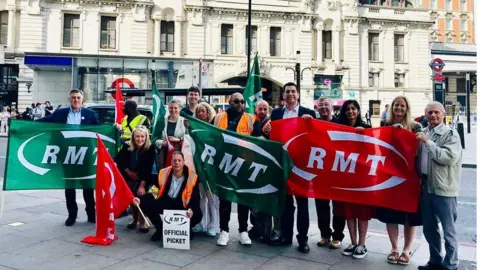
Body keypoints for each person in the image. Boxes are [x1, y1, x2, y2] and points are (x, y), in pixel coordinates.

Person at [265, 82, 316, 253]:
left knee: (302, 204)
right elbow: (271, 134)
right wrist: (267, 130)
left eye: (293, 91)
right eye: (288, 92)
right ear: (284, 95)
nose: (291, 94)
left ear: (298, 95)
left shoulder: (308, 113)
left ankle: (303, 240)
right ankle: (286, 236)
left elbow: (316, 137)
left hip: (301, 165)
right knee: (286, 204)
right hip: (282, 163)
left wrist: (311, 123)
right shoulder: (278, 113)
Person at [37, 89, 99, 226]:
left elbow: (100, 130)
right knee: (69, 186)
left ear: (82, 99)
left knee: (87, 186)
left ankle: (91, 214)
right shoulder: (60, 113)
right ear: (69, 99)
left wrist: (115, 128)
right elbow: (43, 122)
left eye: (78, 97)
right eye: (73, 98)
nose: (75, 100)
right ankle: (72, 215)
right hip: (67, 155)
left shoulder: (91, 115)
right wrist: (19, 124)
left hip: (85, 155)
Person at [377, 96, 423, 265]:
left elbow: (419, 150)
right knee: (391, 214)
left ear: (407, 108)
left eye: (402, 106)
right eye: (396, 105)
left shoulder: (416, 126)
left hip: (410, 176)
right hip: (389, 176)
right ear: (392, 107)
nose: (399, 108)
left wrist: (404, 133)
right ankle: (394, 248)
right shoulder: (384, 124)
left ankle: (406, 250)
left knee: (410, 215)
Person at [416, 101, 462, 270]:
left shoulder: (451, 134)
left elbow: (448, 157)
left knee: (448, 230)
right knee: (429, 228)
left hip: (444, 187)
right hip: (426, 186)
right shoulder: (423, 132)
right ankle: (435, 260)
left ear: (443, 115)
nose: (433, 115)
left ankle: (451, 264)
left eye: (436, 112)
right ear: (425, 115)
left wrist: (428, 143)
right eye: (429, 113)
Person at [213, 92, 255, 246]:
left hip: (243, 165)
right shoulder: (218, 117)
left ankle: (243, 231)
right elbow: (210, 135)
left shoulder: (250, 119)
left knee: (243, 198)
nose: (240, 104)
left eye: (242, 101)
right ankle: (224, 231)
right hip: (224, 163)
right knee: (225, 198)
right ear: (229, 102)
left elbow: (258, 138)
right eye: (236, 101)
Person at [134, 151, 202, 242]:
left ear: (183, 162)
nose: (177, 163)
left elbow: (195, 196)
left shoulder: (192, 176)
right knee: (145, 202)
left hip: (182, 205)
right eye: (174, 160)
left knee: (198, 214)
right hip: (166, 202)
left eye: (179, 160)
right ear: (171, 162)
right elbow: (155, 190)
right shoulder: (163, 173)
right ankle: (161, 229)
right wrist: (141, 199)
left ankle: (185, 229)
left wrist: (191, 209)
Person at [337, 100, 374, 259]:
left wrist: (363, 137)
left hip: (361, 177)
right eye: (347, 109)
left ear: (358, 111)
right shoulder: (338, 128)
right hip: (345, 177)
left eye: (353, 109)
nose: (350, 111)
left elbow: (373, 151)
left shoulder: (366, 128)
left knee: (362, 212)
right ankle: (353, 242)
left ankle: (362, 244)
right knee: (349, 211)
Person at [314, 97, 345, 250]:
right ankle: (325, 234)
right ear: (317, 108)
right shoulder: (313, 123)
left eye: (327, 105)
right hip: (320, 172)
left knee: (338, 205)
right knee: (321, 206)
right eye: (321, 105)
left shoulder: (341, 123)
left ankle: (337, 236)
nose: (324, 107)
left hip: (338, 171)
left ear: (332, 107)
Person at [115, 126, 155, 233]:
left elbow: (148, 168)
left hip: (144, 178)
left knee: (141, 196)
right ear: (133, 137)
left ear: (146, 137)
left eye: (142, 136)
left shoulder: (150, 149)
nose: (140, 139)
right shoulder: (127, 147)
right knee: (130, 197)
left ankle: (142, 220)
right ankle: (134, 219)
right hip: (129, 177)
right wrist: (128, 172)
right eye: (137, 136)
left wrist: (142, 185)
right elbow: (119, 161)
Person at [191, 102, 220, 236]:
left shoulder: (214, 127)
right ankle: (201, 223)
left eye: (203, 111)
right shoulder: (193, 128)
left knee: (213, 197)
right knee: (201, 197)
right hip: (199, 167)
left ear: (208, 113)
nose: (201, 114)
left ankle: (214, 225)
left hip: (211, 167)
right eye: (198, 112)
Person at [155, 99, 186, 169]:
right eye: (171, 108)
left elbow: (188, 138)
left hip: (179, 154)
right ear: (168, 108)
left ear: (180, 109)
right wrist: (163, 143)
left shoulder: (184, 121)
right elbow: (154, 139)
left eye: (175, 108)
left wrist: (178, 139)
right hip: (164, 154)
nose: (173, 110)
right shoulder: (161, 121)